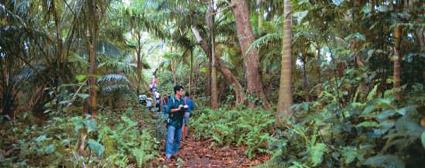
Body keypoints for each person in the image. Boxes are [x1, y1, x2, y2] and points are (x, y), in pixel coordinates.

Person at [164, 85, 186, 161]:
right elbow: (168, 110)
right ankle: (168, 155)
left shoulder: (182, 100)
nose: (182, 92)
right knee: (170, 139)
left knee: (177, 139)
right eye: (181, 91)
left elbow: (183, 113)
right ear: (177, 91)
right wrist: (177, 109)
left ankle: (174, 153)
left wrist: (184, 109)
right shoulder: (172, 100)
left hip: (179, 123)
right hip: (172, 123)